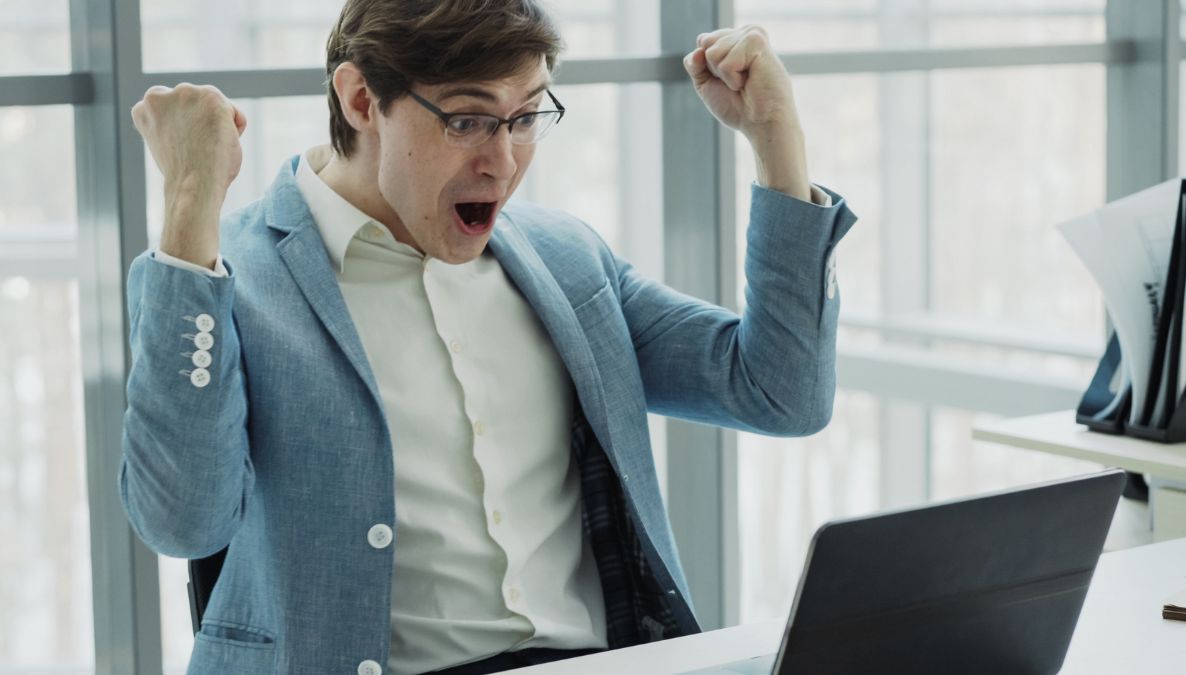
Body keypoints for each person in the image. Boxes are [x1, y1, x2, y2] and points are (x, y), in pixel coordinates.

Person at [120, 1, 855, 673]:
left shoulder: (567, 261)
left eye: (527, 117)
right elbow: (182, 519)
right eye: (467, 120)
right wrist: (191, 205)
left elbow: (780, 391)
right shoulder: (223, 277)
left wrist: (776, 139)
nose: (502, 162)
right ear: (360, 99)